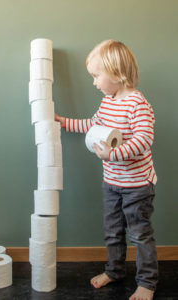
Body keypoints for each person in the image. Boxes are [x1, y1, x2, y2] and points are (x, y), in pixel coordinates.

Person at [55, 40, 158, 300]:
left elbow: (144, 139)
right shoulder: (107, 102)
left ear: (117, 73)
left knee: (140, 233)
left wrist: (113, 153)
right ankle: (114, 271)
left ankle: (147, 283)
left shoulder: (137, 104)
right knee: (112, 231)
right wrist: (65, 122)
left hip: (137, 185)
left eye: (96, 75)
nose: (94, 82)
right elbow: (93, 125)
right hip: (111, 182)